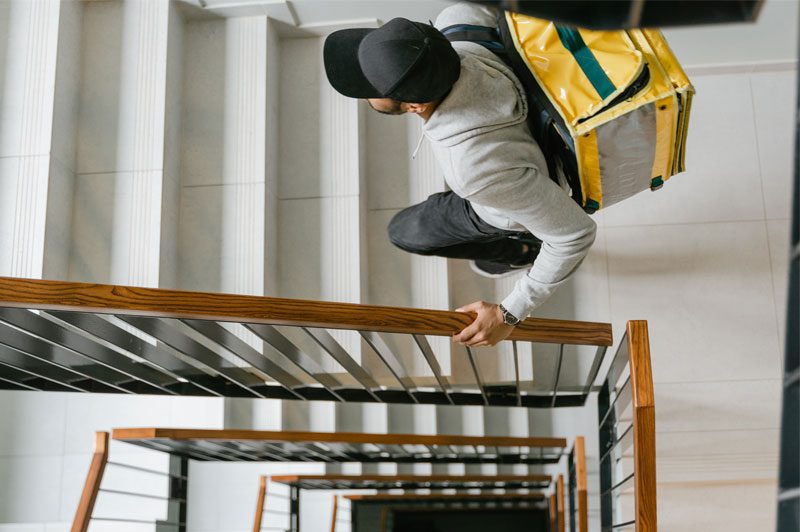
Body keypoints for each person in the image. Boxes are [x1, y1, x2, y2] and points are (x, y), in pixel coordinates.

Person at [323, 3, 596, 347]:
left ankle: (522, 250)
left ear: (414, 106)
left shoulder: (474, 168)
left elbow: (575, 235)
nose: (364, 93)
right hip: (524, 153)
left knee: (405, 232)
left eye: (369, 88)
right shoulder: (460, 18)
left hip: (506, 197)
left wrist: (508, 313)